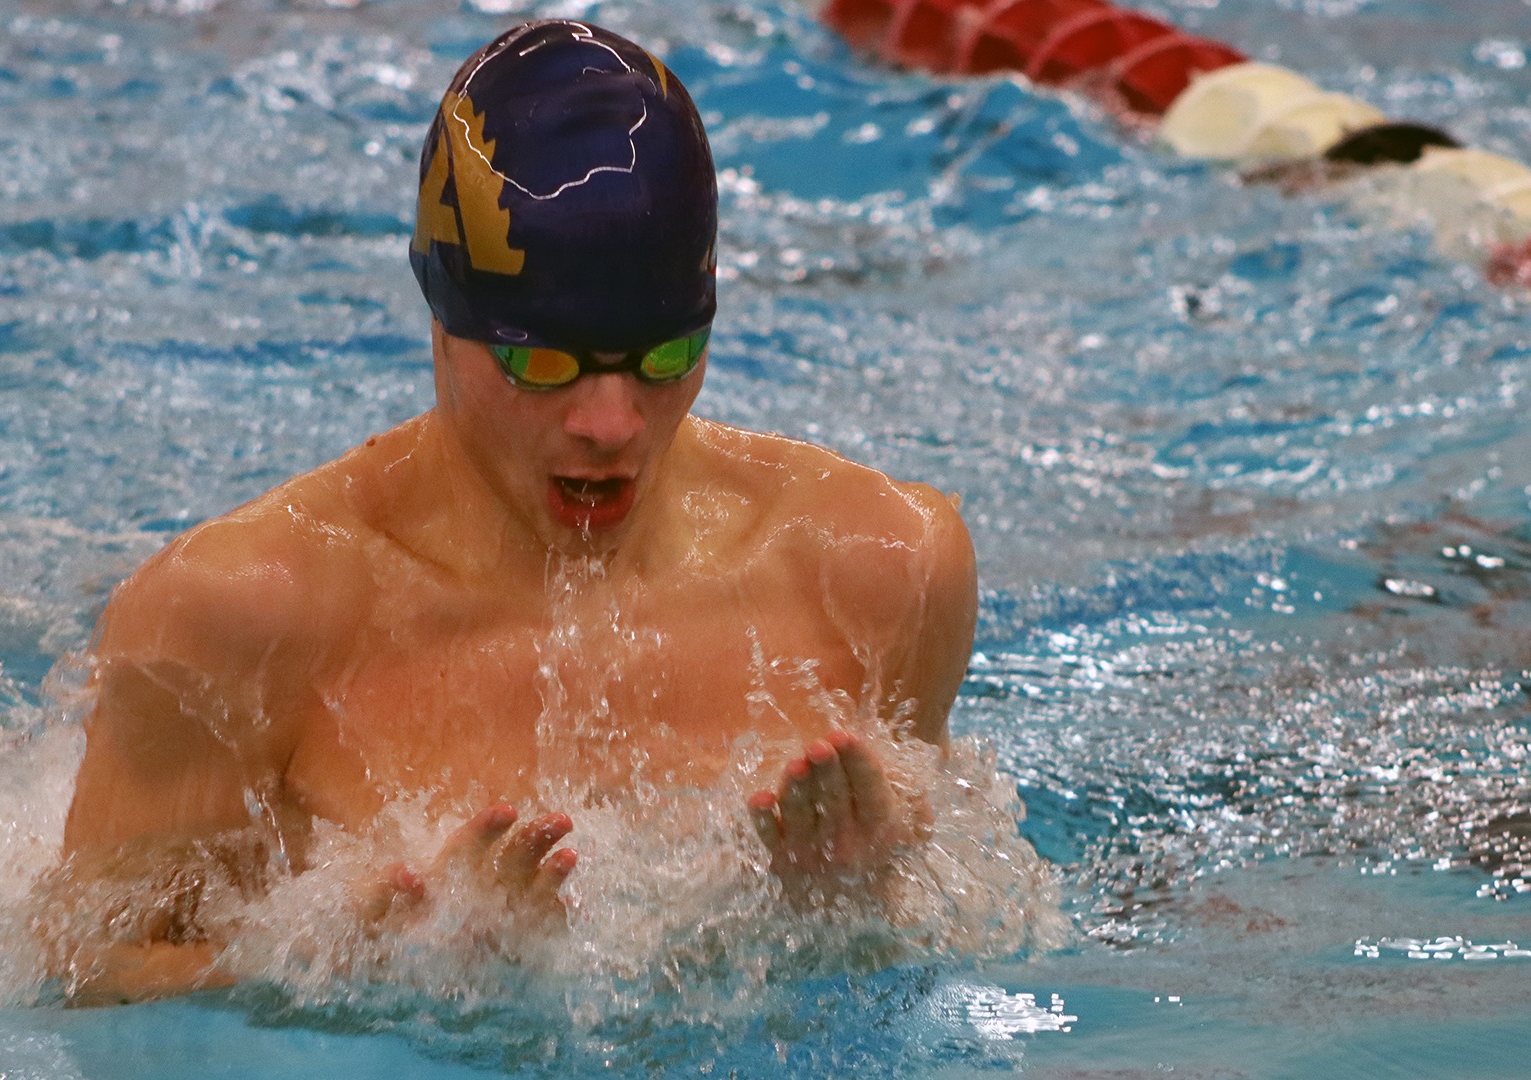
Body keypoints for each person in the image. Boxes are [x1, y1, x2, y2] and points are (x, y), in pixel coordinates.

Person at [48, 19, 978, 1004]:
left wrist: (855, 909)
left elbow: (972, 922)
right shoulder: (240, 618)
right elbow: (85, 978)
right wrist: (349, 974)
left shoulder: (880, 569)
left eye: (662, 359)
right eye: (544, 364)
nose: (611, 423)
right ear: (444, 323)